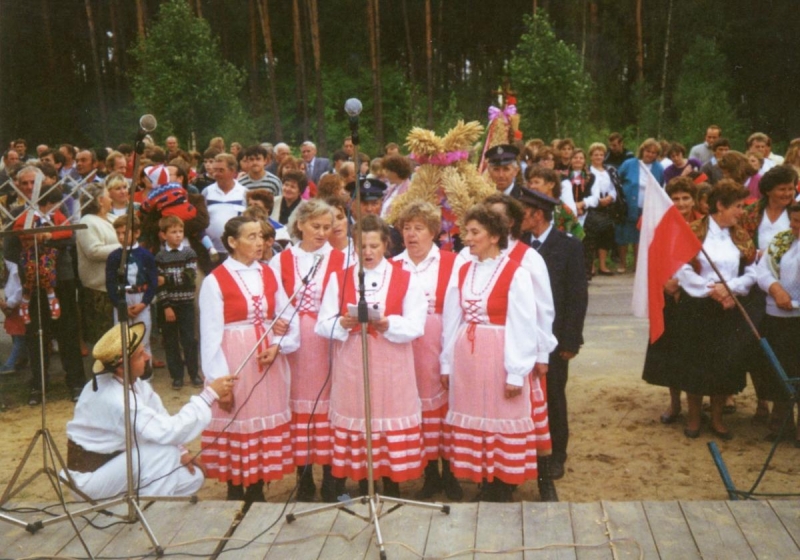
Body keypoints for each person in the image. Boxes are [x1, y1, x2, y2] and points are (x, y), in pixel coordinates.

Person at [315, 214, 426, 498]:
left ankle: (392, 484)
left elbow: (416, 325)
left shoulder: (406, 278)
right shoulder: (339, 278)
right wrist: (342, 323)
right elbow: (322, 324)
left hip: (391, 362)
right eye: (362, 246)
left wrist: (389, 324)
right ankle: (364, 482)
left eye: (374, 246)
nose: (368, 252)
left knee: (388, 416)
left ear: (386, 245)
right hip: (353, 361)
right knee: (359, 416)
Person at [441, 205, 545, 502]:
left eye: (475, 232)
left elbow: (524, 324)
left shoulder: (516, 273)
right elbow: (452, 320)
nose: (467, 238)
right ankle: (483, 478)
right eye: (467, 232)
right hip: (468, 355)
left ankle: (502, 483)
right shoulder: (463, 270)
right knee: (476, 413)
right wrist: (447, 363)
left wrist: (516, 372)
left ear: (495, 236)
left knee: (502, 412)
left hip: (501, 352)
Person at [65, 322, 234, 499]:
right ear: (121, 367)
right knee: (165, 454)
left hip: (117, 468)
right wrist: (208, 396)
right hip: (90, 480)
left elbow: (160, 417)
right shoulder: (115, 398)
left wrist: (182, 451)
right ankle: (149, 510)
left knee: (191, 478)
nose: (148, 357)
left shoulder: (133, 382)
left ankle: (135, 503)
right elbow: (166, 431)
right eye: (140, 355)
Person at [199, 216, 299, 506]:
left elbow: (286, 313)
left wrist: (278, 342)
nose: (259, 243)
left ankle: (256, 487)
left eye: (261, 236)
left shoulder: (268, 273)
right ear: (232, 242)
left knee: (260, 417)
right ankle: (234, 486)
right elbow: (210, 335)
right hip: (234, 358)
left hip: (265, 359)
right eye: (251, 237)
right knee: (236, 416)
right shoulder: (215, 280)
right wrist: (220, 382)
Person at [269, 200, 344, 502]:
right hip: (296, 342)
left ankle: (331, 478)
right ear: (300, 224)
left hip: (330, 341)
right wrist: (275, 322)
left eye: (327, 227)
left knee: (329, 403)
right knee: (300, 406)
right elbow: (273, 298)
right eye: (316, 226)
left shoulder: (341, 259)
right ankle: (304, 476)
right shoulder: (281, 260)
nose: (322, 233)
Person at [517, 188, 588, 500]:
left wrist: (571, 339)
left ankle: (557, 454)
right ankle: (528, 451)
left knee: (554, 396)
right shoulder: (517, 245)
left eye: (523, 212)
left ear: (537, 215)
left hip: (555, 338)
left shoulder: (568, 246)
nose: (517, 218)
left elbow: (577, 296)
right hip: (523, 335)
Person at [673, 180, 757, 440]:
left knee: (724, 364)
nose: (742, 212)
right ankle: (694, 417)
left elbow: (753, 270)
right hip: (697, 306)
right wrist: (712, 289)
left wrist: (730, 288)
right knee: (696, 362)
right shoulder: (693, 231)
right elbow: (681, 268)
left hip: (729, 307)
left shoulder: (741, 235)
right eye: (737, 206)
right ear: (720, 205)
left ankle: (718, 418)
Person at [391, 201, 464, 501]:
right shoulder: (393, 265)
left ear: (433, 232)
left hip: (441, 343)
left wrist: (449, 356)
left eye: (418, 228)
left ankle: (451, 474)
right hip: (406, 348)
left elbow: (457, 312)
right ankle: (430, 475)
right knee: (417, 408)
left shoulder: (452, 262)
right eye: (406, 228)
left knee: (446, 406)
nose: (411, 234)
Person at [643, 177, 700, 424]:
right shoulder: (661, 225)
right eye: (675, 199)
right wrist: (665, 282)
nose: (681, 203)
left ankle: (697, 405)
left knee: (695, 355)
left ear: (694, 200)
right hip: (668, 295)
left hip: (696, 297)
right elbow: (652, 258)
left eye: (686, 198)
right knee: (671, 353)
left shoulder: (704, 225)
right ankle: (675, 403)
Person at [755, 204, 800, 444]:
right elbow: (763, 271)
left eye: (798, 222)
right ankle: (781, 425)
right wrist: (776, 289)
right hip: (778, 316)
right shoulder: (782, 240)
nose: (793, 226)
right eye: (792, 220)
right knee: (779, 370)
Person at [105, 215, 158, 379]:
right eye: (118, 233)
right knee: (122, 340)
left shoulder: (146, 255)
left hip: (140, 298)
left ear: (137, 233)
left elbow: (153, 282)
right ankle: (125, 377)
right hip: (122, 299)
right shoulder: (114, 257)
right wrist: (119, 304)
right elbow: (110, 283)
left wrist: (144, 303)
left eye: (125, 233)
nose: (121, 237)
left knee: (143, 339)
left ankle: (145, 378)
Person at [155, 216, 201, 389]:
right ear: (163, 235)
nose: (178, 235)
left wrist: (166, 278)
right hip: (168, 306)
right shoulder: (160, 257)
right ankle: (177, 376)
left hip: (186, 304)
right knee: (171, 341)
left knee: (189, 340)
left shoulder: (189, 253)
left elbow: (189, 277)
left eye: (180, 231)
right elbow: (158, 285)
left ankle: (194, 373)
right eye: (173, 232)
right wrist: (166, 306)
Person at [12, 186, 70, 323]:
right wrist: (32, 235)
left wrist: (51, 235)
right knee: (30, 271)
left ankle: (51, 296)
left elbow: (68, 230)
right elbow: (18, 230)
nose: (58, 206)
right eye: (55, 203)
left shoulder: (56, 215)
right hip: (30, 250)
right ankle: (25, 302)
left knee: (45, 268)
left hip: (47, 251)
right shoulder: (30, 215)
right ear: (48, 203)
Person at [76, 183, 120, 345]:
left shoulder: (112, 218)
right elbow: (93, 251)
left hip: (116, 284)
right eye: (108, 195)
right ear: (100, 200)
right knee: (104, 335)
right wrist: (123, 248)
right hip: (99, 288)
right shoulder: (87, 222)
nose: (111, 199)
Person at [615, 138, 665, 273]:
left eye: (654, 153)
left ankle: (638, 266)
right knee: (623, 234)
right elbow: (617, 180)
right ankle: (622, 264)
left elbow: (660, 186)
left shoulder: (659, 168)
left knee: (640, 237)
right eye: (648, 151)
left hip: (647, 207)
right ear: (642, 150)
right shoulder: (629, 164)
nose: (650, 155)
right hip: (627, 206)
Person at [582, 143, 621, 276]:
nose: (598, 157)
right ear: (590, 156)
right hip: (592, 206)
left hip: (607, 206)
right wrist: (599, 201)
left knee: (606, 234)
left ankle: (603, 266)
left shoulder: (609, 170)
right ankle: (591, 266)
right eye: (595, 155)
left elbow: (613, 188)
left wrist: (611, 197)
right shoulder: (587, 171)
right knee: (592, 236)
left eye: (601, 155)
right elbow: (586, 190)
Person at [202, 153, 247, 262]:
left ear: (232, 171)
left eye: (221, 170)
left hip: (236, 251)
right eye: (215, 170)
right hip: (211, 252)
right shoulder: (207, 192)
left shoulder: (244, 193)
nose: (216, 174)